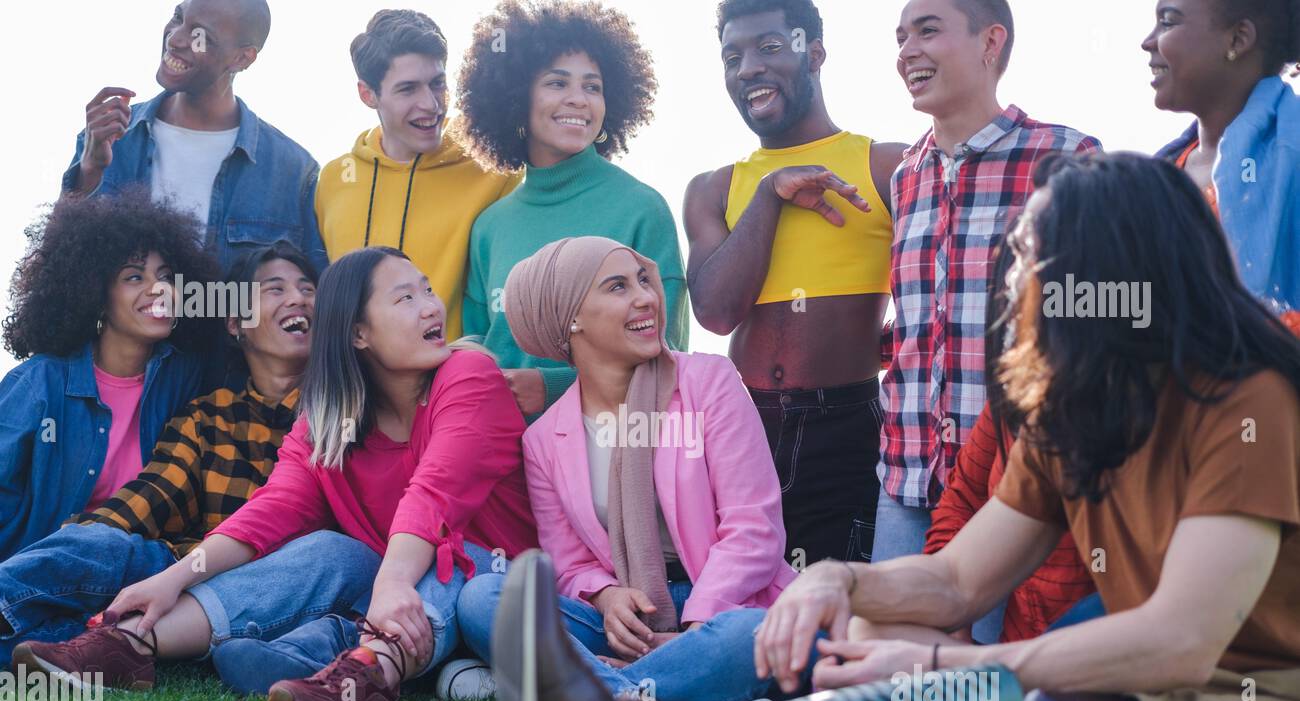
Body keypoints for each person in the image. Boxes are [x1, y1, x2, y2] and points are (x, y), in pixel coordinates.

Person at [491, 153, 1300, 701]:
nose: (1014, 278)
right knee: (893, 635)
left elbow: (1183, 637)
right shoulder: (1074, 412)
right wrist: (838, 578)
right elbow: (956, 579)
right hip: (1145, 685)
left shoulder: (1245, 398)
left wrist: (946, 665)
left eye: (1032, 256)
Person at [14, 248, 538, 701]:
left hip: (494, 588)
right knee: (332, 549)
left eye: (426, 290)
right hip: (395, 597)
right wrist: (172, 580)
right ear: (358, 333)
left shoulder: (468, 375)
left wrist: (394, 583)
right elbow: (272, 510)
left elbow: (434, 493)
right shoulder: (326, 418)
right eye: (405, 298)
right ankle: (130, 646)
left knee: (448, 556)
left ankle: (368, 673)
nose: (430, 307)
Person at [456, 237, 800, 701]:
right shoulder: (545, 441)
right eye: (617, 286)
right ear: (569, 318)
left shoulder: (709, 381)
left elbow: (753, 527)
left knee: (750, 636)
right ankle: (637, 697)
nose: (646, 297)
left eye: (643, 280)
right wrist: (608, 594)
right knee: (485, 599)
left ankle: (594, 693)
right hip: (628, 621)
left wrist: (698, 624)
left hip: (727, 606)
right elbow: (571, 564)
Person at [1, 243, 315, 670]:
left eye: (308, 288)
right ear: (235, 322)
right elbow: (150, 495)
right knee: (107, 550)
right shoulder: (208, 414)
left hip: (268, 585)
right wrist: (84, 541)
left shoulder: (347, 411)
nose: (298, 298)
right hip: (183, 573)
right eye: (274, 289)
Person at [876, 0, 1101, 569]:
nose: (907, 51)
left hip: (1017, 487)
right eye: (901, 37)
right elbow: (914, 323)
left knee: (995, 660)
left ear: (990, 42)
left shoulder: (1068, 157)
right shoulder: (905, 177)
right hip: (906, 483)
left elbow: (1098, 328)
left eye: (928, 31)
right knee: (887, 657)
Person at [685, 0, 907, 567]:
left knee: (830, 610)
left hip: (845, 425)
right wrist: (770, 193)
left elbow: (939, 294)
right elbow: (714, 311)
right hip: (742, 424)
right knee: (735, 600)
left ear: (814, 53)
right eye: (732, 57)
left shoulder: (887, 166)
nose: (748, 68)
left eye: (768, 47)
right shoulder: (714, 188)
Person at [62, 0, 326, 388]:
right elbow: (62, 271)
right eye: (178, 17)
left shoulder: (291, 169)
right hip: (115, 396)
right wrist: (89, 171)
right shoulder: (110, 139)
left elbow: (315, 302)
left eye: (202, 36)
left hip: (230, 404)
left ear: (243, 57)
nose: (179, 38)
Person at [457, 0, 689, 417]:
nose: (578, 100)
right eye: (557, 83)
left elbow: (669, 354)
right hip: (498, 459)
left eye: (592, 86)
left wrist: (552, 388)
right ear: (515, 96)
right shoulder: (489, 227)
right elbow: (473, 350)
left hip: (602, 455)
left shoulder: (641, 209)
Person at [0, 190, 213, 564]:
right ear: (96, 295)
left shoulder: (185, 377)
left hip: (131, 578)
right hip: (28, 576)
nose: (158, 288)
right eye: (134, 277)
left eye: (165, 276)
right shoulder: (40, 384)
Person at [921, 238, 1096, 645]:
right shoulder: (1028, 403)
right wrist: (839, 582)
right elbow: (962, 505)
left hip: (1105, 680)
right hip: (1020, 660)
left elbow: (1163, 635)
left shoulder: (1197, 415)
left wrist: (968, 667)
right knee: (875, 633)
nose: (1013, 280)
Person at [315, 9, 521, 341]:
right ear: (368, 95)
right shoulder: (334, 181)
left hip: (454, 383)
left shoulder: (494, 167)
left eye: (437, 83)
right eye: (408, 89)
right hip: (358, 388)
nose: (431, 104)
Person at [1145, 0, 1300, 332]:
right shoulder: (1159, 175)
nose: (1148, 41)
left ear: (1238, 39)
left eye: (1168, 22)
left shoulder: (1294, 156)